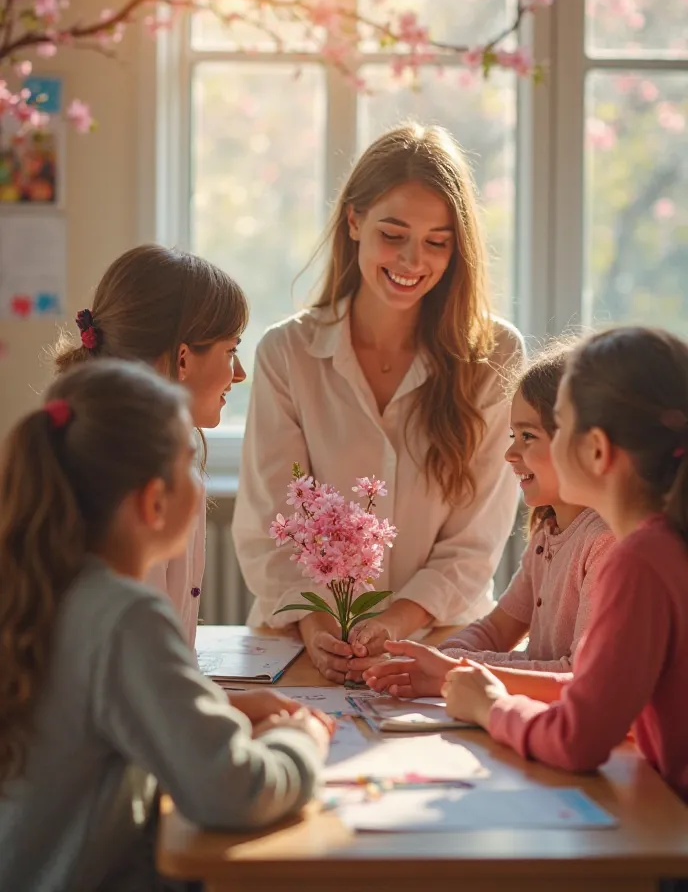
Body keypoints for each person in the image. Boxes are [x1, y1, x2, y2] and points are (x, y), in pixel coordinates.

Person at [0, 360, 331, 892]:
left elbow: (90, 714)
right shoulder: (126, 615)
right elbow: (233, 792)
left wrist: (217, 707)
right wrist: (302, 739)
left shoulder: (38, 587)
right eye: (188, 465)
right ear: (154, 501)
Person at [233, 122, 524, 682]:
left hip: (440, 645)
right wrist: (320, 627)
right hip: (300, 644)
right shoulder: (287, 354)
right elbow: (270, 523)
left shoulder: (495, 357)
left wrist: (393, 623)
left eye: (437, 242)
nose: (413, 261)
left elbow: (476, 541)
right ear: (354, 221)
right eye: (393, 234)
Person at [440, 327, 688, 805]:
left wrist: (490, 707)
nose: (517, 451)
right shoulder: (656, 545)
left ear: (596, 450)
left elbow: (579, 737)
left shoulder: (638, 559)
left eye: (559, 426)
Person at [363, 342, 615, 696]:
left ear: (588, 444)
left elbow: (577, 676)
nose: (511, 453)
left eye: (528, 436)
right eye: (514, 436)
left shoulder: (605, 544)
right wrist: (436, 658)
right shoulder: (548, 533)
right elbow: (497, 629)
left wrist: (453, 672)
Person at [53, 242, 248, 645]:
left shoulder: (149, 461)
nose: (241, 373)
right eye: (231, 351)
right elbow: (137, 673)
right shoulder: (136, 489)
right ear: (182, 359)